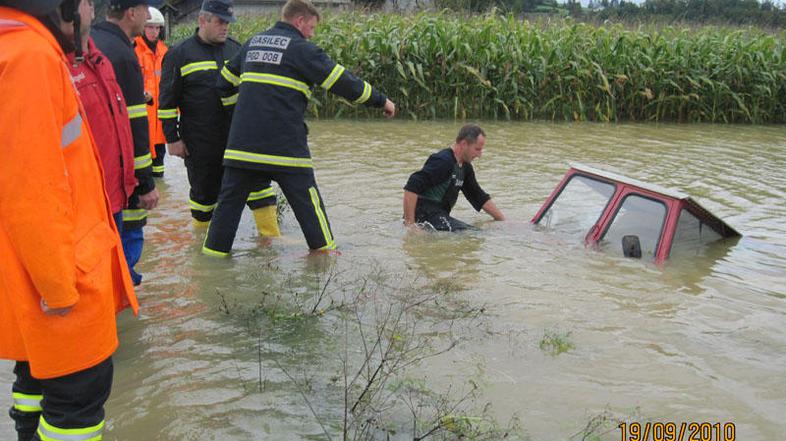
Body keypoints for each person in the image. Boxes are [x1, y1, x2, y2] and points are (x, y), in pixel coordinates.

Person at [0, 0, 139, 439]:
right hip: (60, 282)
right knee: (77, 402)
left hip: (31, 272)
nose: (90, 11)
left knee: (35, 384)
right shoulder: (30, 58)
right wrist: (59, 288)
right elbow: (32, 187)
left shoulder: (17, 48)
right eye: (85, 2)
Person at [203, 0, 396, 256]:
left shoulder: (252, 43)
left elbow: (223, 84)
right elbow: (343, 82)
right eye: (312, 27)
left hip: (242, 149)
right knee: (312, 213)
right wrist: (382, 101)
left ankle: (211, 268)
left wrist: (237, 116)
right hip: (286, 150)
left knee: (224, 216)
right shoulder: (302, 50)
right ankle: (325, 262)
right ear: (300, 21)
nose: (312, 33)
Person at [158, 0, 279, 233]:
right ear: (202, 20)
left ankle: (271, 243)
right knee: (204, 197)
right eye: (220, 22)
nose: (225, 27)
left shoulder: (236, 49)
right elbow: (166, 102)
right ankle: (204, 250)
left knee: (260, 187)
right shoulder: (179, 54)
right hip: (200, 140)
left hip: (239, 137)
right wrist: (172, 139)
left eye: (228, 23)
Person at [92, 0, 160, 285]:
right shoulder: (122, 54)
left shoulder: (93, 40)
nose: (147, 19)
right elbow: (134, 124)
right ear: (131, 13)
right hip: (121, 174)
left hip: (96, 168)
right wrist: (144, 183)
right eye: (146, 12)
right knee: (128, 238)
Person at [68, 0, 138, 252]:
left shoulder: (101, 61)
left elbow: (119, 129)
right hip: (83, 208)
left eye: (81, 2)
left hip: (115, 197)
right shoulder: (55, 65)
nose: (74, 8)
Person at [403, 124, 505, 231]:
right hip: (424, 217)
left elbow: (479, 197)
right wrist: (411, 226)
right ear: (464, 144)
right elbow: (411, 186)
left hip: (439, 217)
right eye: (477, 149)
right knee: (473, 233)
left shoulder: (465, 167)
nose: (479, 155)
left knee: (478, 232)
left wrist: (503, 221)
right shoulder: (443, 161)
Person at [134, 6, 168, 177]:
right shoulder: (135, 50)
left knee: (159, 164)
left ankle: (162, 201)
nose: (154, 32)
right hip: (143, 116)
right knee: (142, 163)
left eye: (157, 28)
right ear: (143, 27)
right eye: (150, 27)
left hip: (159, 118)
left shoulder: (164, 51)